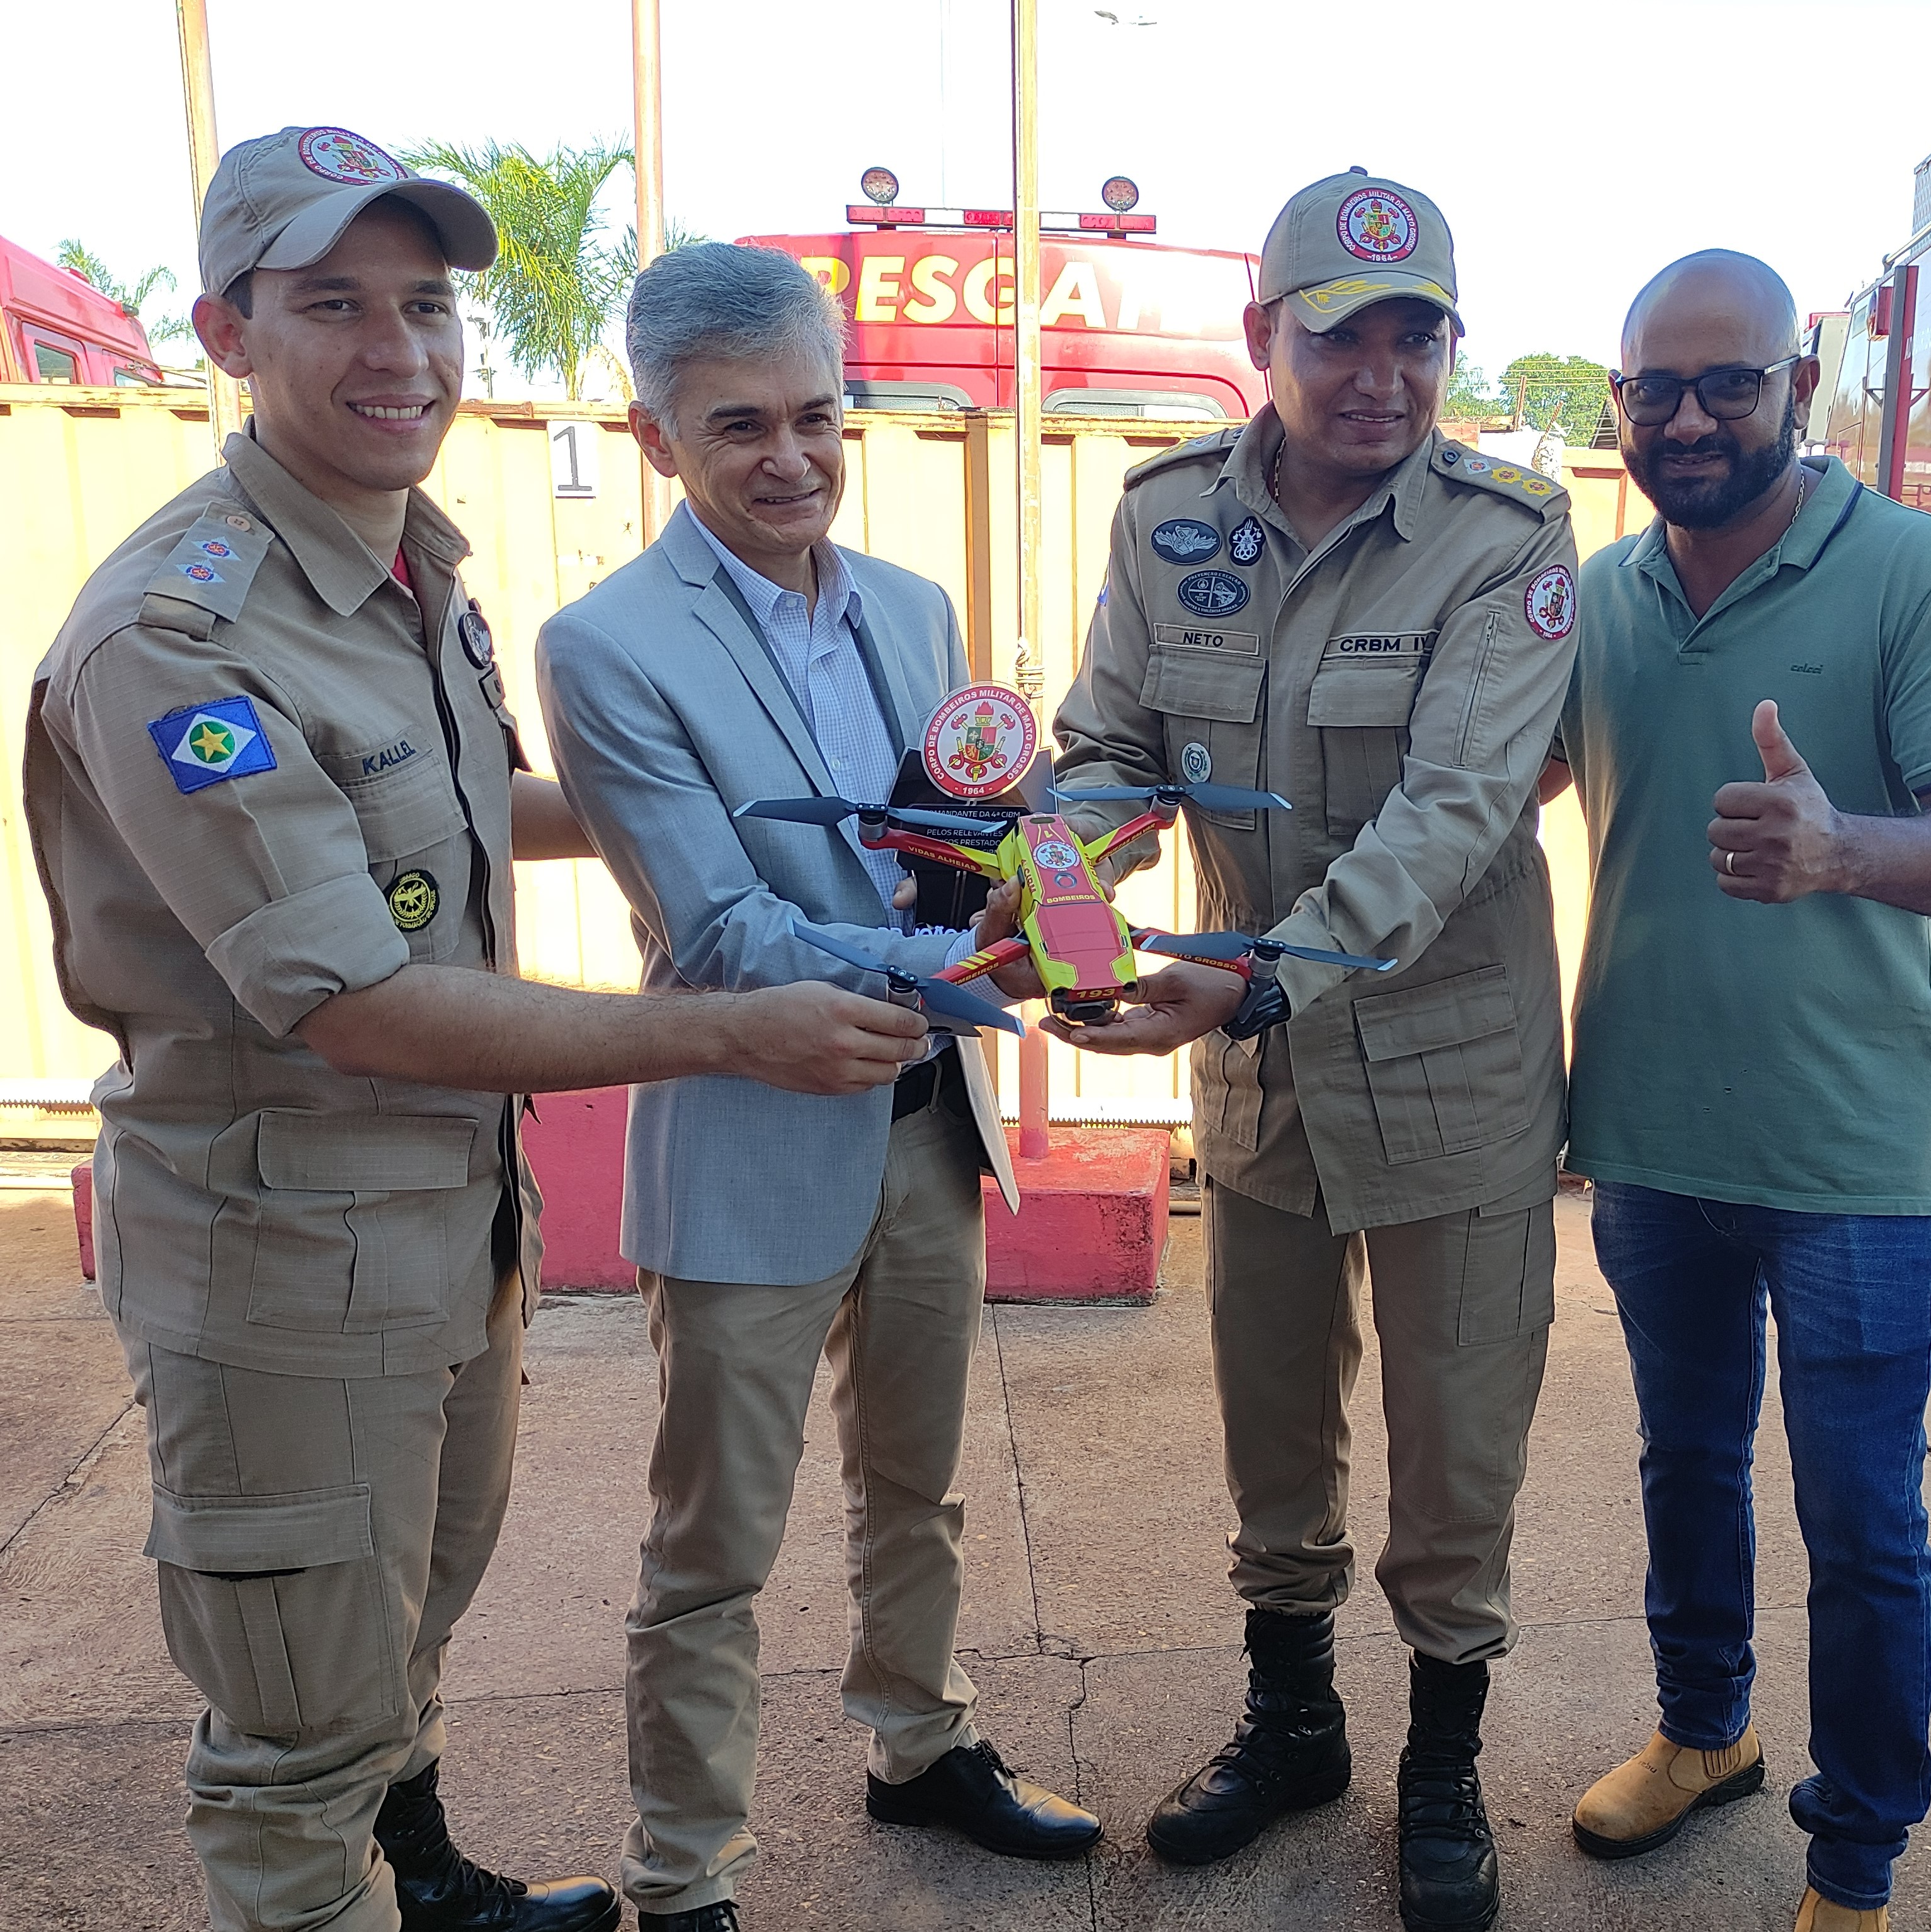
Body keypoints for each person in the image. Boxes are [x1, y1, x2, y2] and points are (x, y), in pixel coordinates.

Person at [25, 130, 934, 1932]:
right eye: (334, 306)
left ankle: (424, 1873)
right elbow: (352, 996)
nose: (402, 351)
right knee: (296, 1729)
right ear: (225, 332)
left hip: (442, 1222)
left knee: (405, 1613)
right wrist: (725, 1031)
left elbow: (452, 811)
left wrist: (693, 797)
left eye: (427, 304)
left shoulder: (398, 564)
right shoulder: (180, 632)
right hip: (284, 1250)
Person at [535, 242, 1100, 1932]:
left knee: (917, 1483)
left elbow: (982, 821)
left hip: (926, 1126)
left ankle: (920, 1743)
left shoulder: (915, 610)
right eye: (739, 427)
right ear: (656, 439)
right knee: (713, 1545)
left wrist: (1061, 889)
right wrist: (968, 966)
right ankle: (684, 1873)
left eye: (816, 416)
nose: (790, 459)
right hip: (750, 1136)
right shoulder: (609, 645)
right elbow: (716, 930)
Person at [1044, 172, 1578, 1932]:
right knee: (1274, 1429)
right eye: (1344, 337)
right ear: (1263, 336)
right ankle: (1295, 1727)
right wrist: (1060, 889)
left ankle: (1442, 1765)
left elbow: (1455, 811)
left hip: (1450, 1072)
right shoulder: (1167, 519)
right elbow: (1114, 747)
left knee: (1456, 1449)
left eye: (1418, 337)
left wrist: (1262, 979)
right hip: (1260, 1075)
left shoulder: (1506, 538)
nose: (1382, 375)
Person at [1546, 250, 1931, 1932]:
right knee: (1686, 1460)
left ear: (1799, 388)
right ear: (1621, 401)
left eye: (1729, 384)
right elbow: (1481, 784)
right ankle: (1707, 1731)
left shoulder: (1914, 574)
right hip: (1648, 1128)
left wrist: (1845, 851)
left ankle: (1857, 1858)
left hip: (1851, 1153)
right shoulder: (1600, 596)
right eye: (1655, 388)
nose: (1689, 418)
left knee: (1861, 1518)